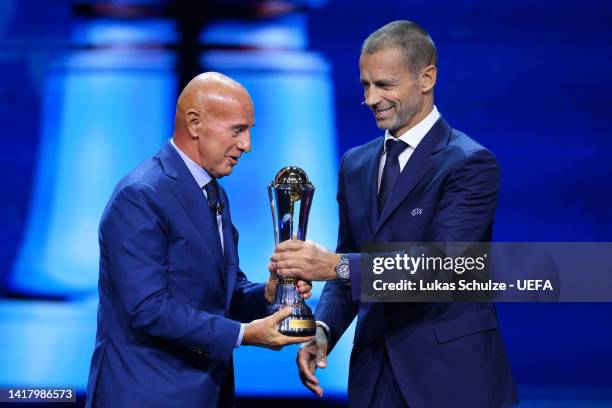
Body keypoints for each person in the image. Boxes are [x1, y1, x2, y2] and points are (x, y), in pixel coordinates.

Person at [272, 21, 518, 407]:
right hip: (375, 376)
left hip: (452, 377)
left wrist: (336, 265)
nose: (371, 99)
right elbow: (349, 259)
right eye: (365, 86)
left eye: (384, 85)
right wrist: (324, 329)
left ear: (427, 78)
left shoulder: (470, 164)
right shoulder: (356, 164)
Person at [86, 72, 312, 408]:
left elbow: (222, 293)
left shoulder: (213, 193)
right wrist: (244, 334)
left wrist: (266, 293)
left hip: (207, 394)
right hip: (147, 395)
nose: (247, 145)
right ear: (195, 123)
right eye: (237, 130)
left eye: (249, 130)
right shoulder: (141, 196)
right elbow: (148, 309)